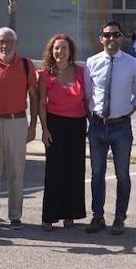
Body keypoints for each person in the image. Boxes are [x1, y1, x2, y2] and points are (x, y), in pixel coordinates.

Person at [83, 20, 136, 235]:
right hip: (98, 126)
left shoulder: (133, 64)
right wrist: (93, 115)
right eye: (107, 35)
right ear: (101, 38)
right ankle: (97, 217)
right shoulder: (91, 63)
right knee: (97, 173)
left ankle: (120, 218)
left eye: (115, 34)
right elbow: (87, 94)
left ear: (122, 38)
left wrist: (125, 113)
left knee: (123, 175)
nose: (111, 39)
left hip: (121, 127)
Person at [0, 27, 38, 229]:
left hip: (17, 122)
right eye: (0, 42)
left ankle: (15, 216)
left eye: (8, 41)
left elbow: (34, 96)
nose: (4, 45)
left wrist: (33, 126)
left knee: (16, 172)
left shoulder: (26, 64)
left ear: (16, 43)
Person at [36, 33, 88, 230]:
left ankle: (70, 215)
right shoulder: (45, 73)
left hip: (77, 125)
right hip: (55, 125)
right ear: (52, 51)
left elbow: (86, 100)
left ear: (70, 51)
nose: (60, 51)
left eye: (64, 48)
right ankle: (48, 217)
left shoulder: (81, 72)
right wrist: (45, 130)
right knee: (54, 171)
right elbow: (41, 104)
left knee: (74, 171)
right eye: (56, 48)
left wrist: (94, 124)